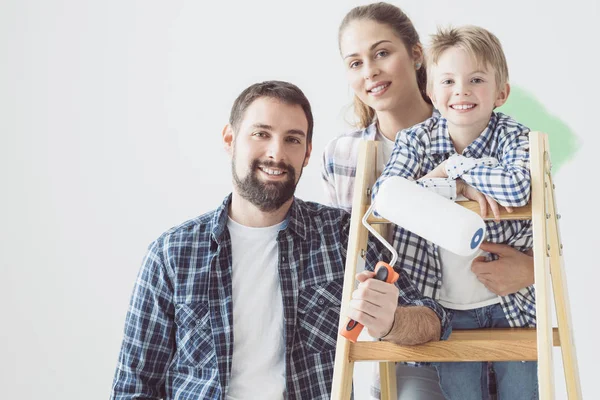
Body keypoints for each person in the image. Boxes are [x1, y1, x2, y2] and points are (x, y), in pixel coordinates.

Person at [110, 80, 449, 400]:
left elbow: (434, 321)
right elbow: (133, 387)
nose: (276, 152)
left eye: (292, 139)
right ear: (229, 140)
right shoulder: (172, 254)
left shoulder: (342, 235)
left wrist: (391, 321)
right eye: (261, 134)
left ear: (307, 153)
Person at [322, 3, 535, 399]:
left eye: (382, 53)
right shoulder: (358, 154)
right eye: (355, 62)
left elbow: (524, 193)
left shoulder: (510, 136)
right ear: (436, 89)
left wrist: (457, 171)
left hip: (505, 303)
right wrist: (454, 180)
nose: (370, 71)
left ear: (416, 57)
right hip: (420, 324)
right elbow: (377, 213)